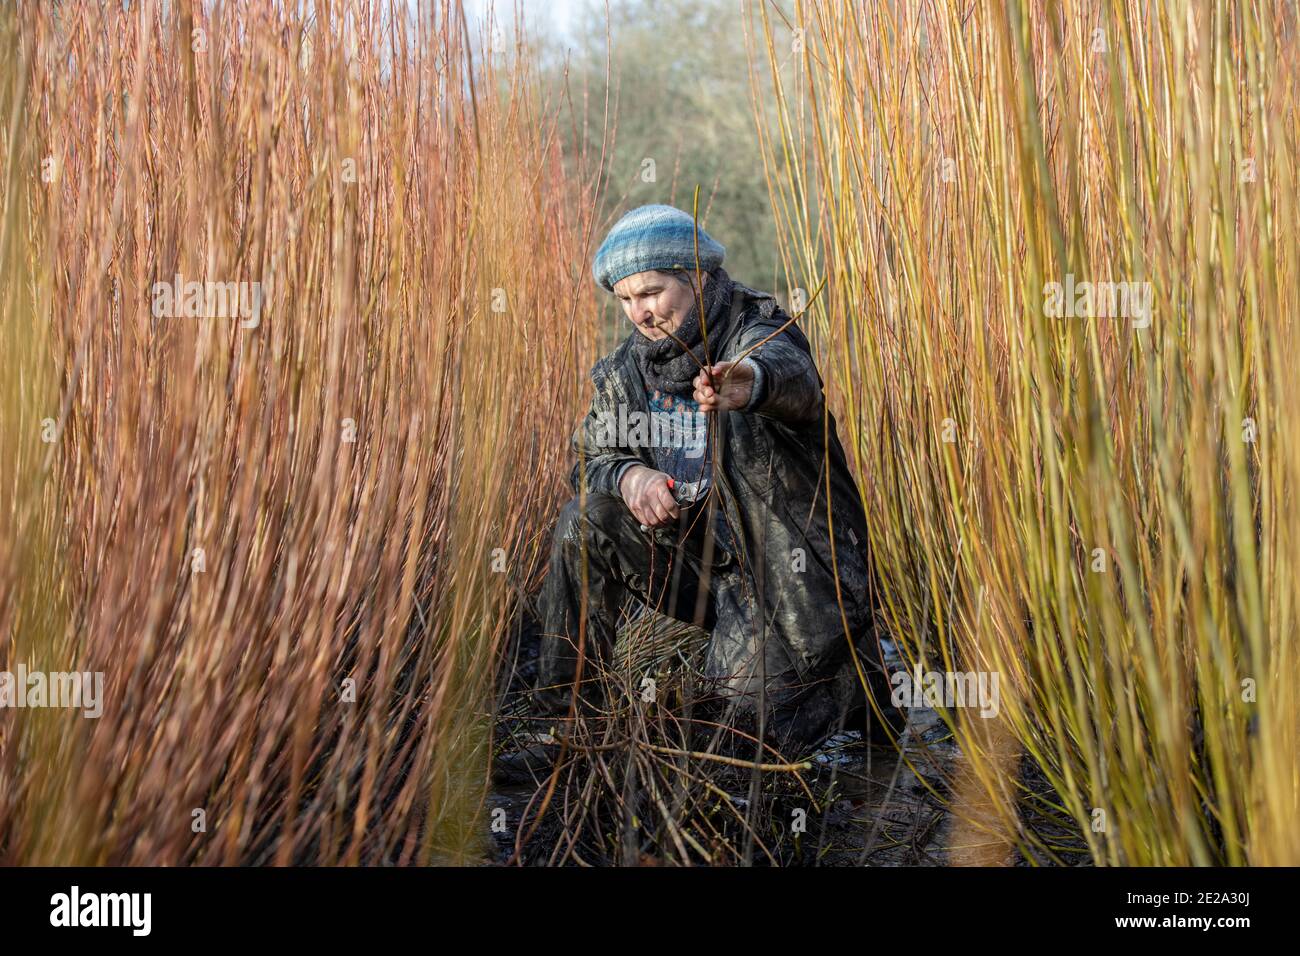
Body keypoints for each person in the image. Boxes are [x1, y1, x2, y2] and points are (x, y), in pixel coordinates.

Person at [499, 204, 901, 781]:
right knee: (582, 521)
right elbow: (592, 458)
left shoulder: (758, 329)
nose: (640, 312)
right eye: (626, 300)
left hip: (789, 582)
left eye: (653, 292)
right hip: (706, 572)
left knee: (732, 749)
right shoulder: (623, 372)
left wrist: (747, 382)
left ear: (698, 277)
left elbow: (794, 380)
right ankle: (565, 731)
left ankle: (857, 681)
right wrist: (628, 477)